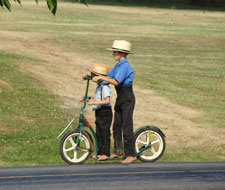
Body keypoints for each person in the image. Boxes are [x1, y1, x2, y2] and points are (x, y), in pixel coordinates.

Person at [92, 40, 136, 164]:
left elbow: (116, 81)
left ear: (121, 53)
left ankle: (131, 154)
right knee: (116, 126)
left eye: (114, 52)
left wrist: (102, 78)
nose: (113, 54)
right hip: (120, 98)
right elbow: (107, 78)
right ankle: (118, 151)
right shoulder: (117, 66)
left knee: (126, 126)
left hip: (127, 97)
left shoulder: (125, 66)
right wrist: (92, 77)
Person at [86, 63, 113, 161]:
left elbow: (107, 101)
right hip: (99, 111)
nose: (93, 79)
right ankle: (99, 152)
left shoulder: (105, 87)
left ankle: (105, 153)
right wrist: (90, 100)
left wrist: (94, 102)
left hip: (105, 112)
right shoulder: (100, 86)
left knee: (105, 132)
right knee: (99, 132)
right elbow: (98, 98)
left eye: (93, 76)